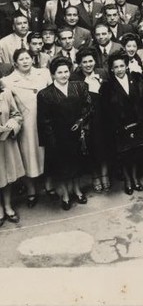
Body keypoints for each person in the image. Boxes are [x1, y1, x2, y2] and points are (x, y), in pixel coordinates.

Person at [37, 57, 92, 210]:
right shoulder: (44, 94)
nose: (64, 75)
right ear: (53, 74)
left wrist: (80, 122)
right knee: (62, 168)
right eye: (59, 72)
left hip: (76, 134)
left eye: (66, 71)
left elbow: (88, 107)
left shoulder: (80, 86)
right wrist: (51, 142)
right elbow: (44, 120)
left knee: (77, 165)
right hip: (58, 137)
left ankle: (77, 190)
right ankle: (65, 195)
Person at [3, 49, 51, 206]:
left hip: (46, 121)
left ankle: (49, 186)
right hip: (26, 125)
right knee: (28, 156)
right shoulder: (8, 81)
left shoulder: (43, 73)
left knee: (48, 153)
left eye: (28, 58)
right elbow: (10, 106)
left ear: (33, 59)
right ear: (15, 62)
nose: (25, 61)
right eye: (21, 59)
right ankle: (31, 190)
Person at [101, 51, 143, 194]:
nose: (119, 69)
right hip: (120, 127)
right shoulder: (107, 86)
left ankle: (135, 178)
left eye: (122, 66)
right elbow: (107, 110)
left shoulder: (136, 79)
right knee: (124, 154)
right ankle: (128, 180)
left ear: (127, 66)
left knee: (136, 152)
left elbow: (142, 102)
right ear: (111, 69)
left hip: (137, 123)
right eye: (116, 67)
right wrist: (117, 125)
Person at [71, 47, 109, 192]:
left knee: (104, 145)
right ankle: (95, 176)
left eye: (90, 61)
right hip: (87, 119)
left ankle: (105, 174)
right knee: (91, 147)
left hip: (103, 115)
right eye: (84, 62)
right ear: (79, 64)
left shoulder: (102, 73)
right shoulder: (74, 78)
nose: (88, 64)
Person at [0, 78, 25, 225]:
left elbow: (16, 115)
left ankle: (8, 206)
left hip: (5, 142)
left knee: (7, 175)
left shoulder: (6, 94)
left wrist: (12, 124)